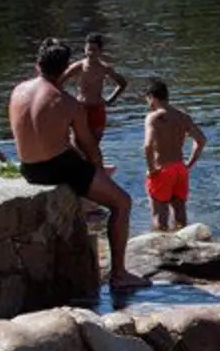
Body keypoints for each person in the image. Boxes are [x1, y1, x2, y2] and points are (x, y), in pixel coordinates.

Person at [9, 38, 149, 290]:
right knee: (122, 202)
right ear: (64, 70)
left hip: (28, 167)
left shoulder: (18, 91)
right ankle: (119, 274)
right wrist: (98, 169)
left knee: (81, 169)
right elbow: (89, 146)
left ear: (37, 64)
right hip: (58, 166)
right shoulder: (66, 102)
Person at [143, 78, 206, 231]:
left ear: (152, 97)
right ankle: (184, 244)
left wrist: (151, 169)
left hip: (162, 169)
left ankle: (163, 251)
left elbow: (147, 145)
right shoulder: (182, 116)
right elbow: (201, 140)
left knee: (160, 216)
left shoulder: (154, 117)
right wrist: (189, 164)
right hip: (179, 168)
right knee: (180, 213)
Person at [62, 32, 127, 143]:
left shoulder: (104, 67)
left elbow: (122, 83)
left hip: (97, 109)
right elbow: (60, 80)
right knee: (77, 142)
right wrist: (67, 99)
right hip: (81, 108)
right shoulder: (79, 66)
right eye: (88, 49)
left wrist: (110, 99)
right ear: (84, 49)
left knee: (94, 144)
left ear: (100, 51)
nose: (90, 53)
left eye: (94, 50)